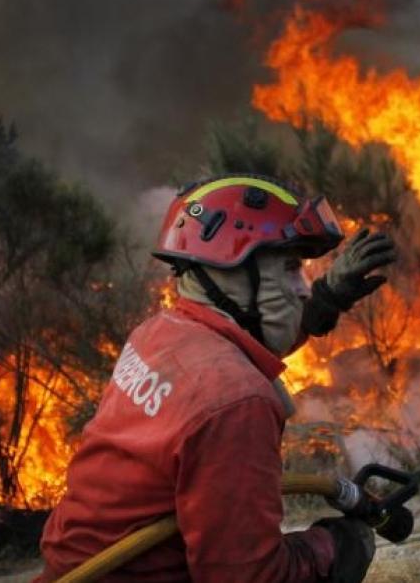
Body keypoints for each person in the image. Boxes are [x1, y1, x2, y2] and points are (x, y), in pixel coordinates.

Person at [35, 174, 397, 582]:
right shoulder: (236, 402)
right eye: (291, 268)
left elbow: (237, 345)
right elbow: (246, 578)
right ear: (232, 272)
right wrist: (332, 547)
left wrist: (325, 301)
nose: (302, 288)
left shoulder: (161, 334)